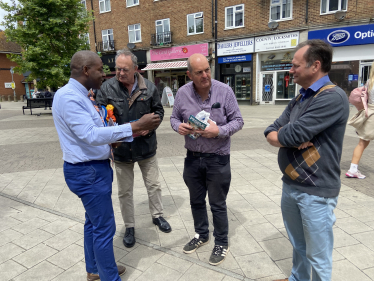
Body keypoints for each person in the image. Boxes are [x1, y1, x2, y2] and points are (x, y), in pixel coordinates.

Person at [52, 50, 161, 281]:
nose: (105, 74)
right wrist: (133, 126)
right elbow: (90, 135)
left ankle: (96, 269)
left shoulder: (80, 95)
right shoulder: (70, 97)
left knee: (92, 223)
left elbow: (95, 131)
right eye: (100, 69)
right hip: (88, 172)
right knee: (104, 228)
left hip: (92, 169)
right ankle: (109, 276)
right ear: (85, 70)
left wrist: (120, 136)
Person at [264, 40, 349, 281]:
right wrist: (287, 135)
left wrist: (289, 134)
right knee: (298, 245)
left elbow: (294, 133)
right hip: (291, 184)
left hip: (316, 191)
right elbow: (273, 130)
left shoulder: (332, 97)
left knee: (318, 256)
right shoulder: (300, 98)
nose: (291, 70)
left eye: (295, 65)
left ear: (316, 66)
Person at [170, 53, 244, 266]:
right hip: (192, 158)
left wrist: (219, 130)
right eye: (199, 72)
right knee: (196, 201)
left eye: (207, 70)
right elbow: (174, 118)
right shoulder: (183, 93)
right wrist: (179, 126)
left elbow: (238, 121)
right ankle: (202, 234)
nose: (205, 75)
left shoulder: (224, 91)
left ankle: (221, 242)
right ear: (189, 74)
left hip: (218, 159)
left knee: (217, 204)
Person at [96, 49, 171, 249]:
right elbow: (99, 114)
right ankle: (129, 226)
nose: (120, 73)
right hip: (121, 150)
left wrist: (151, 126)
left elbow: (159, 111)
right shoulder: (107, 88)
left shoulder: (149, 88)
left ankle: (157, 216)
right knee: (125, 192)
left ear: (136, 69)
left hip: (146, 148)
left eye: (125, 70)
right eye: (117, 69)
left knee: (154, 185)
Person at [346, 61, 374, 179]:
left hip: (370, 114)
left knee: (362, 143)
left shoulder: (370, 83)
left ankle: (353, 169)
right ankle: (352, 170)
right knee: (363, 143)